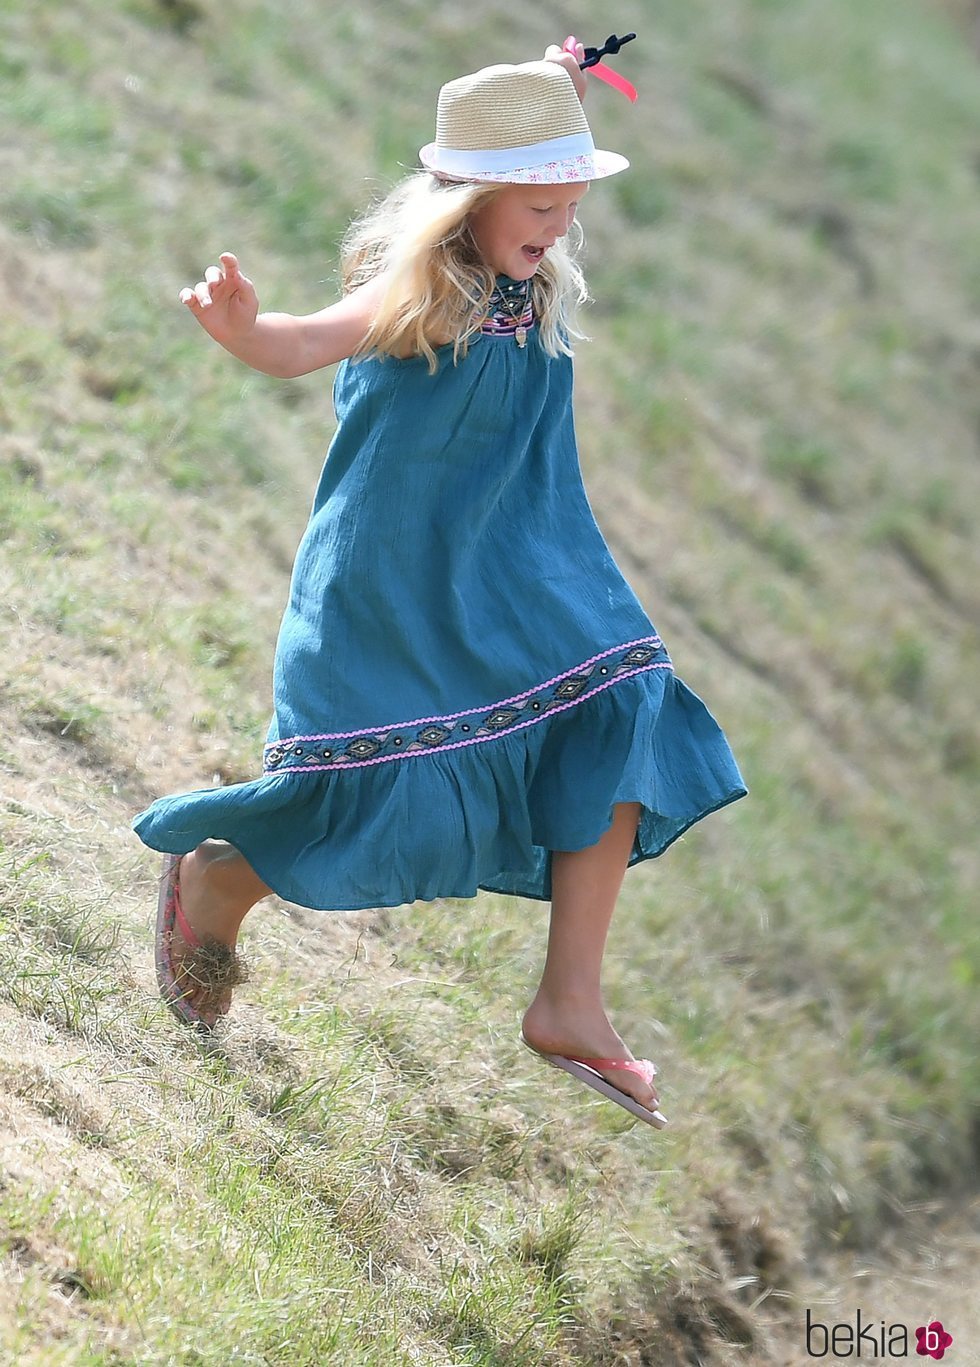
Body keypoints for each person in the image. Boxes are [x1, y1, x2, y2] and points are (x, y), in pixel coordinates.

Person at [133, 43, 748, 1127]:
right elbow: (304, 343)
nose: (556, 225)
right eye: (539, 203)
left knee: (621, 700)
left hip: (519, 563)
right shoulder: (432, 288)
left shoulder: (537, 285)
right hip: (402, 582)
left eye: (567, 205)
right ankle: (218, 881)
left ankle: (569, 998)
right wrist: (244, 329)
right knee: (373, 790)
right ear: (469, 196)